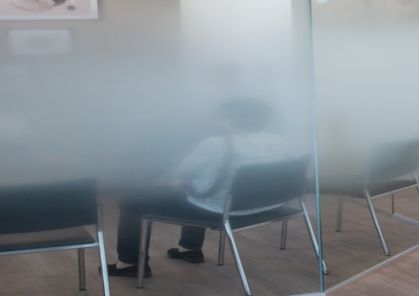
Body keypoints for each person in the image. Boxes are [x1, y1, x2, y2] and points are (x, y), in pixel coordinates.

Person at [105, 97, 302, 277]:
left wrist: (166, 181)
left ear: (229, 119)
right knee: (194, 189)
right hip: (268, 206)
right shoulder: (281, 141)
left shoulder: (217, 144)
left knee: (132, 202)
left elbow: (180, 173)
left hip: (223, 210)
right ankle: (189, 249)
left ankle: (129, 263)